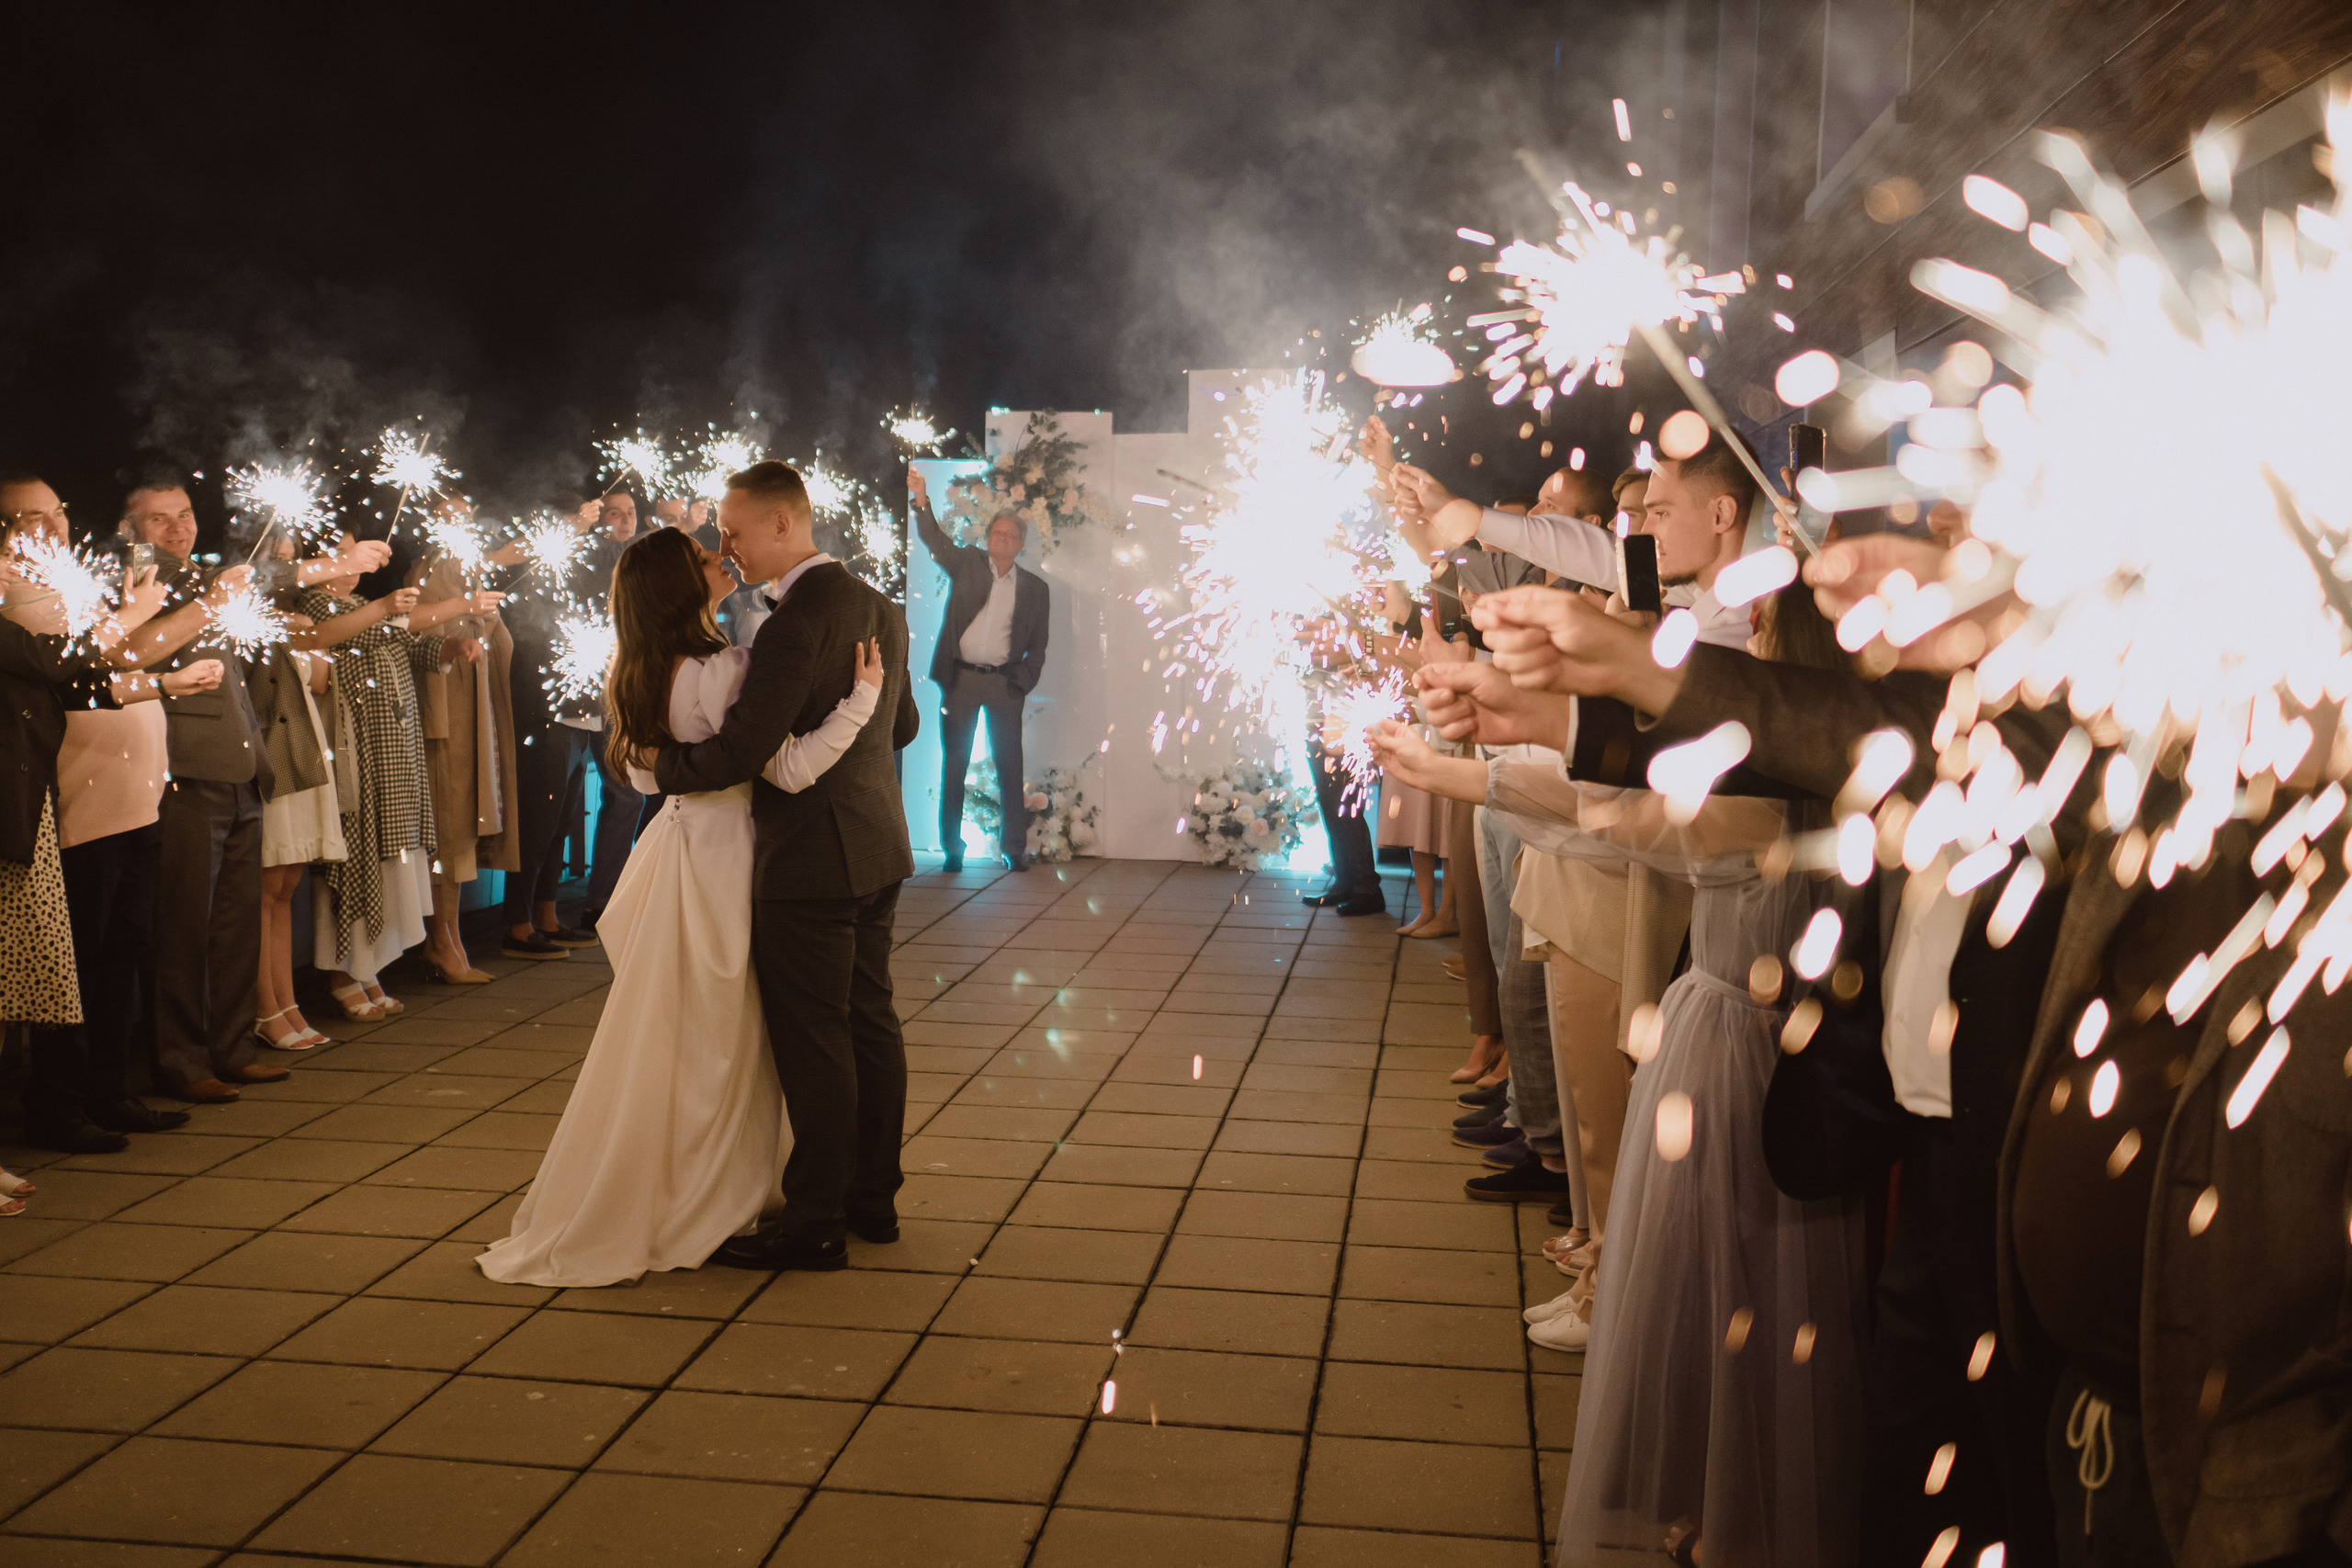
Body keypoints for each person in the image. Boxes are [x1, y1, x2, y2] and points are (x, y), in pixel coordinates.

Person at [481, 527, 884, 1286]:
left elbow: (638, 773)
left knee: (679, 1028)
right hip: (728, 857)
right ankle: (708, 1190)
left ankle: (674, 1179)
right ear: (679, 584)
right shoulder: (724, 665)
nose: (722, 556)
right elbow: (789, 771)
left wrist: (670, 776)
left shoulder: (634, 666)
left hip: (675, 849)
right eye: (705, 558)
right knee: (724, 1036)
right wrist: (861, 702)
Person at [653, 459, 921, 1274]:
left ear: (782, 523)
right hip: (877, 844)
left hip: (809, 859)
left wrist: (657, 768)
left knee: (815, 1040)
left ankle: (814, 1220)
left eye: (733, 530)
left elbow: (742, 749)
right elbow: (901, 724)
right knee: (870, 1020)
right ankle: (873, 1199)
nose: (724, 545)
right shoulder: (878, 603)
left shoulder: (793, 621)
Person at [115, 481, 385, 1103]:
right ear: (132, 531)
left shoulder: (206, 577)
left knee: (235, 924)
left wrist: (340, 565)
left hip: (243, 771)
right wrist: (332, 566)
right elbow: (134, 651)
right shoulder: (139, 582)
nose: (179, 529)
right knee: (185, 925)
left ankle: (232, 1046)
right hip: (185, 770)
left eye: (184, 515)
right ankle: (182, 1061)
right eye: (160, 520)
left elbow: (270, 572)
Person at [1, 479, 196, 1151]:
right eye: (34, 516)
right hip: (75, 807)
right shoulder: (12, 590)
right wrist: (143, 621)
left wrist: (161, 682)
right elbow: (67, 669)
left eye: (58, 511)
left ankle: (108, 1089)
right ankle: (60, 1101)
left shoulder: (69, 580)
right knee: (73, 962)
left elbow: (97, 675)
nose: (53, 526)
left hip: (133, 801)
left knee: (122, 952)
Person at [294, 534, 494, 1021]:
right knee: (355, 861)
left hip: (394, 756)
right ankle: (341, 971)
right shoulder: (314, 606)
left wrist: (453, 643)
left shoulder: (363, 604)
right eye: (339, 553)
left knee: (388, 864)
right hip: (354, 753)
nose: (352, 565)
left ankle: (367, 968)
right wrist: (388, 606)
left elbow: (409, 639)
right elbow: (351, 631)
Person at [906, 467, 1048, 872]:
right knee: (955, 762)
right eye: (996, 534)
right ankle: (952, 847)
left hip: (1004, 685)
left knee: (1010, 764)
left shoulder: (1036, 590)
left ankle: (1014, 848)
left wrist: (1020, 683)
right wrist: (921, 499)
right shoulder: (966, 564)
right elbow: (934, 540)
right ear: (987, 539)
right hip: (962, 680)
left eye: (1009, 536)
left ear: (1020, 544)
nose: (1001, 540)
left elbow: (1038, 647)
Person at [406, 498, 517, 983]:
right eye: (451, 517)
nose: (462, 526)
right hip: (442, 719)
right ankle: (440, 940)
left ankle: (449, 935)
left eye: (468, 518)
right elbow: (409, 630)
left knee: (460, 827)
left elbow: (496, 643)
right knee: (446, 826)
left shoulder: (464, 569)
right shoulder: (427, 568)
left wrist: (485, 621)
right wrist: (468, 616)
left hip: (473, 714)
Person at [580, 489, 642, 922]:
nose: (622, 521)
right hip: (584, 691)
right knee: (616, 794)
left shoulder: (638, 559)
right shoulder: (588, 561)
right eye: (613, 514)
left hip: (620, 689)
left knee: (628, 795)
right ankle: (599, 902)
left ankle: (607, 900)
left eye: (630, 513)